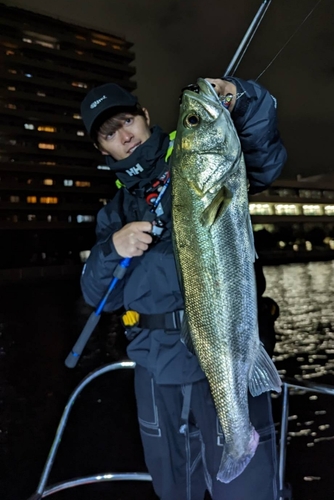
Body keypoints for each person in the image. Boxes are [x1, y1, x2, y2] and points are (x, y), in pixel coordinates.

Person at [79, 76, 287, 500]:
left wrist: (241, 100)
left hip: (229, 349)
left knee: (249, 491)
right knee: (175, 491)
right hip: (156, 371)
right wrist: (111, 252)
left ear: (146, 117)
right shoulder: (113, 215)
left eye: (127, 120)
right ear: (102, 149)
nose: (124, 135)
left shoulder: (193, 161)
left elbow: (265, 162)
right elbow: (98, 297)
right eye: (109, 133)